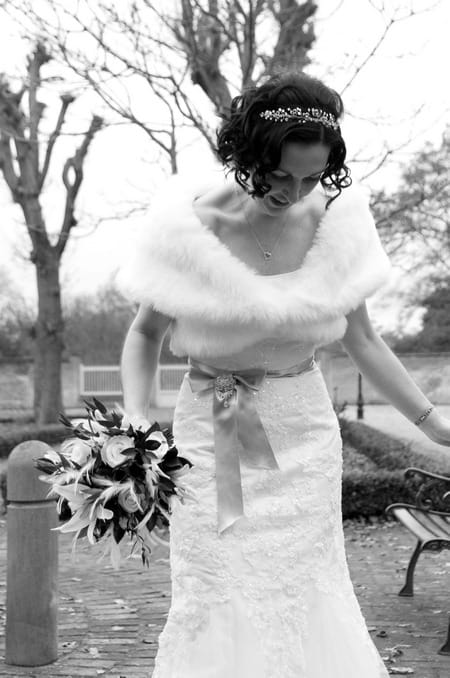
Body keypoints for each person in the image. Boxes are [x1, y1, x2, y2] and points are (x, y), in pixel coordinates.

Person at [119, 72, 450, 678]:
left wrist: (431, 424)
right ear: (249, 156)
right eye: (278, 175)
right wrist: (138, 421)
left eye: (310, 177)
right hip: (211, 423)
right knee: (215, 576)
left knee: (304, 579)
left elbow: (366, 341)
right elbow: (143, 334)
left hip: (303, 429)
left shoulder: (335, 224)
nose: (294, 191)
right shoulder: (191, 227)